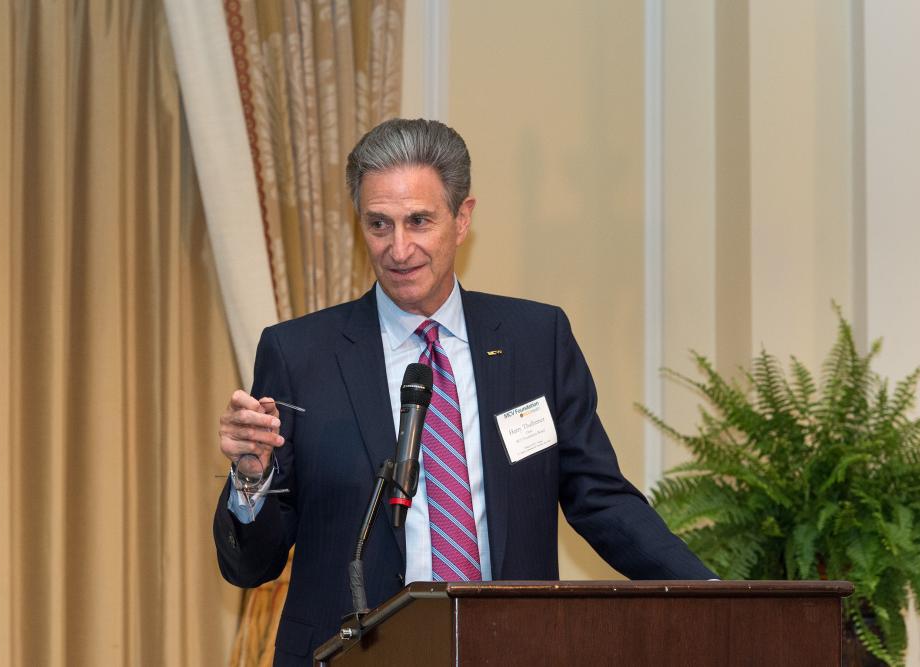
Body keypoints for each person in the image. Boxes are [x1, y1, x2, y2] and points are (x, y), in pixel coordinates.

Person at [214, 118, 716, 665]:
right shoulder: (299, 354)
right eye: (379, 224)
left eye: (419, 221)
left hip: (510, 648)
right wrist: (251, 478)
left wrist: (716, 596)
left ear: (462, 219)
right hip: (351, 652)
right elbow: (250, 567)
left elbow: (600, 498)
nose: (398, 248)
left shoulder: (534, 341)